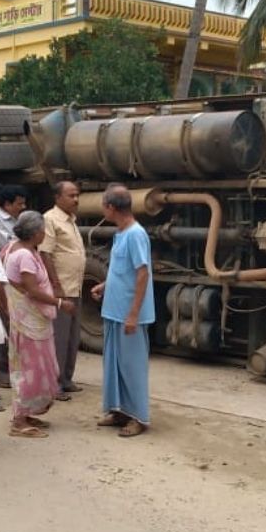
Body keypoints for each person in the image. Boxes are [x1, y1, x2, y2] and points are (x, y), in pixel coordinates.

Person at [3, 211, 75, 438]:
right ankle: (19, 421)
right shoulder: (24, 255)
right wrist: (60, 302)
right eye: (43, 230)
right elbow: (32, 290)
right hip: (30, 322)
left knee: (32, 368)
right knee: (31, 370)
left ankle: (25, 414)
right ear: (35, 233)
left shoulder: (13, 248)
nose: (45, 233)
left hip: (28, 320)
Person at [91, 186, 155, 438]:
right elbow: (122, 269)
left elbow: (142, 273)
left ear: (111, 208)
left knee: (132, 366)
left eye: (103, 205)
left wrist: (133, 314)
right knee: (114, 364)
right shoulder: (121, 233)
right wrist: (104, 285)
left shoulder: (136, 235)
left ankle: (138, 416)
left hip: (128, 312)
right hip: (114, 310)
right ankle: (119, 410)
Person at [40, 181, 86, 399]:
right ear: (58, 198)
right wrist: (56, 286)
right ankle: (54, 383)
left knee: (72, 336)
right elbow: (46, 253)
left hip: (75, 287)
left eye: (77, 195)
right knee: (59, 337)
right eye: (71, 195)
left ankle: (67, 379)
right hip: (62, 289)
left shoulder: (72, 221)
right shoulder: (50, 219)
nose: (75, 199)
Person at [0, 184, 26, 251]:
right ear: (7, 204)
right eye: (20, 204)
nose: (23, 207)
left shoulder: (19, 218)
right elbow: (9, 246)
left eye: (24, 203)